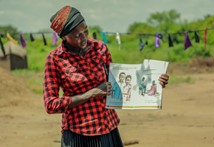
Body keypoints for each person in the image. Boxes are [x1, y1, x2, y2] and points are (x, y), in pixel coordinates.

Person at [43, 5, 170, 147]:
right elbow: (50, 105)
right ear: (64, 37)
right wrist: (90, 94)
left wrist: (154, 81)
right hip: (78, 133)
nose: (83, 37)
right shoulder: (55, 59)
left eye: (85, 30)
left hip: (107, 128)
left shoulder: (100, 48)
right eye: (77, 35)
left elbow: (119, 82)